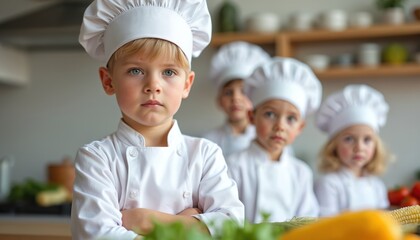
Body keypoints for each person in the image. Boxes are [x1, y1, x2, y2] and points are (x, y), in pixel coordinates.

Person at [71, 0, 244, 239]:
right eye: (136, 70)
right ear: (108, 81)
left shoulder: (205, 155)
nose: (153, 85)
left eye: (169, 72)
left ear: (187, 84)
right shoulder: (97, 159)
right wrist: (190, 224)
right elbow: (97, 235)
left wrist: (144, 220)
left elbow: (230, 226)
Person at [227, 57, 321, 223]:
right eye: (270, 114)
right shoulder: (234, 166)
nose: (280, 126)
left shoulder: (300, 173)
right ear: (252, 117)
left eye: (291, 118)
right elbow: (226, 217)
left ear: (300, 127)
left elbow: (308, 221)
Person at [314, 84, 391, 217]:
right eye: (349, 139)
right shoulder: (329, 184)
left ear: (376, 145)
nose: (359, 147)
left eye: (367, 140)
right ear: (334, 145)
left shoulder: (377, 185)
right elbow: (327, 225)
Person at [202, 41, 270, 157]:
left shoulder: (268, 138)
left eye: (243, 91)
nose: (236, 98)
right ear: (219, 101)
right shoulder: (208, 141)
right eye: (228, 92)